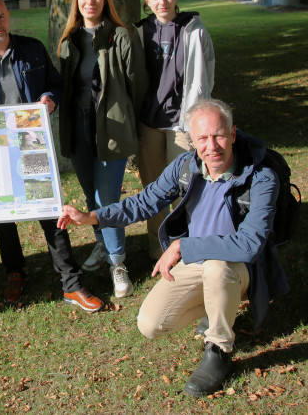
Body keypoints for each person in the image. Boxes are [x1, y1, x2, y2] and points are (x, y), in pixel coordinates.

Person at [58, 99, 289, 397]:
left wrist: (182, 246)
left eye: (219, 135)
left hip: (240, 267)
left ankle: (219, 348)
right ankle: (217, 304)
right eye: (202, 139)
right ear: (192, 141)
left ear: (233, 134)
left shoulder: (261, 177)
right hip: (196, 262)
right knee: (150, 324)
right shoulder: (185, 166)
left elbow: (249, 244)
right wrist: (92, 217)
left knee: (218, 269)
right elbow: (143, 202)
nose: (212, 146)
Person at [0, 0, 103, 312]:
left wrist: (49, 98)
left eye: (1, 16)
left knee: (51, 212)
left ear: (8, 15)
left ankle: (71, 282)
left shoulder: (32, 49)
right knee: (3, 217)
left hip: (31, 144)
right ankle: (14, 271)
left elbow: (55, 83)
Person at [57, 0, 148, 298]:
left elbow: (137, 85)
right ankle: (102, 243)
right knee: (92, 196)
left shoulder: (121, 36)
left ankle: (118, 263)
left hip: (111, 129)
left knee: (107, 200)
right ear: (76, 1)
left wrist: (128, 123)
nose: (90, 1)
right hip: (79, 129)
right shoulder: (69, 41)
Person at [135, 0, 215, 261]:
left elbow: (207, 71)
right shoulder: (141, 31)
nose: (162, 1)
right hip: (149, 124)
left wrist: (199, 115)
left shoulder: (192, 28)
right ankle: (158, 250)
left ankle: (188, 249)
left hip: (182, 124)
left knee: (186, 189)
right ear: (147, 0)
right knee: (154, 191)